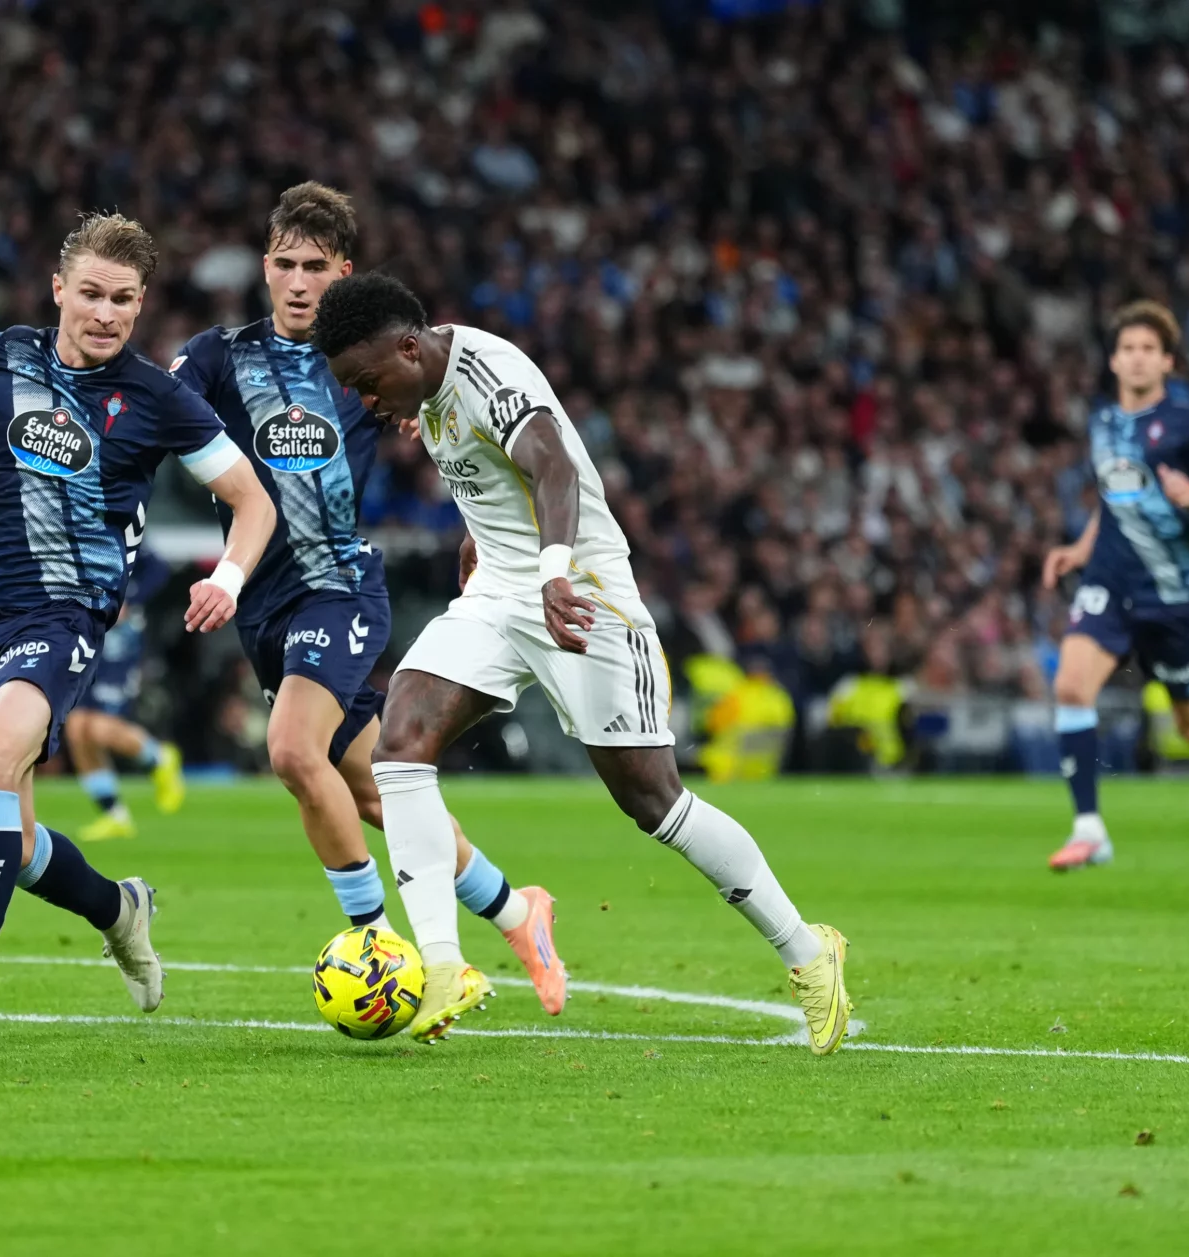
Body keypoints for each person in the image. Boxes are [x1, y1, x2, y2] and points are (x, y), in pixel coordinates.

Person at [314, 273, 850, 1051]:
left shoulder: (487, 374)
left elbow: (553, 465)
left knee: (654, 801)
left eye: (367, 382)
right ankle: (443, 965)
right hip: (501, 592)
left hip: (580, 591)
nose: (365, 400)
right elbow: (494, 475)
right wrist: (481, 537)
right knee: (399, 742)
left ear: (407, 346)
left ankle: (808, 949)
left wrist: (554, 570)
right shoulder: (419, 388)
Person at [0, 212, 277, 1043]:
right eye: (93, 294)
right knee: (4, 829)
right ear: (59, 288)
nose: (106, 313)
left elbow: (253, 501)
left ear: (141, 305)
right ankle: (119, 908)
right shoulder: (7, 357)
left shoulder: (157, 396)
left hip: (63, 613)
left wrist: (230, 576)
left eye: (124, 300)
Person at [170, 183, 566, 1014]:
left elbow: (461, 420)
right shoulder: (217, 358)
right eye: (286, 264)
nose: (299, 282)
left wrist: (484, 529)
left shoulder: (363, 365)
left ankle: (379, 949)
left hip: (339, 591)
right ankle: (518, 911)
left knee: (290, 751)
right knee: (376, 794)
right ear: (264, 267)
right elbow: (151, 408)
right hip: (265, 614)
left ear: (343, 273)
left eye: (316, 266)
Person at [1041, 301, 1189, 870]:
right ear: (1114, 361)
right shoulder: (1103, 422)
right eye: (1128, 349)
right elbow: (1114, 498)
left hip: (1171, 596)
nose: (1138, 358)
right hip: (1110, 582)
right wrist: (1082, 548)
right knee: (1070, 686)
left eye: (1149, 349)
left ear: (1168, 361)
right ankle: (1090, 829)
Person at [65, 548, 187, 841]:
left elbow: (158, 568)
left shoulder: (117, 529)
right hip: (87, 635)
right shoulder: (70, 533)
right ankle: (114, 815)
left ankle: (159, 758)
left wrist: (129, 600)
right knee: (76, 727)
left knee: (98, 727)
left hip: (119, 643)